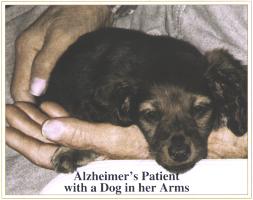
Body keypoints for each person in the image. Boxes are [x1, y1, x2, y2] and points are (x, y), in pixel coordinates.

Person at [5, 5, 247, 194]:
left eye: (198, 111)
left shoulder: (220, 79)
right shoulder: (118, 89)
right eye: (152, 115)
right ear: (124, 107)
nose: (179, 148)